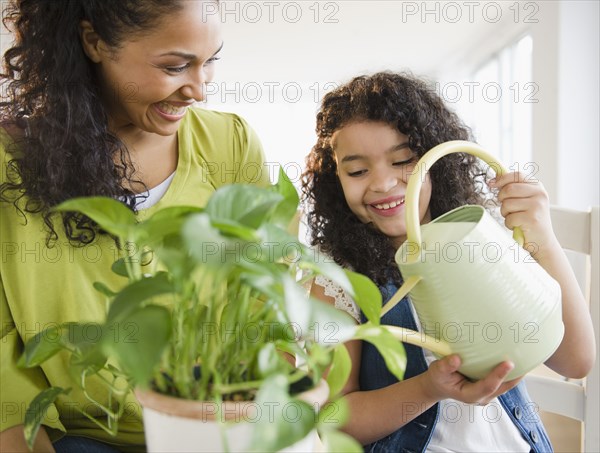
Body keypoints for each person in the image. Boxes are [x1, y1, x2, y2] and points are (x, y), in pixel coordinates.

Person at [0, 1, 269, 451]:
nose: (199, 90)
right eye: (176, 66)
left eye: (210, 62)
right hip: (77, 435)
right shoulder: (10, 161)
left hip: (212, 426)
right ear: (94, 42)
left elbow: (266, 288)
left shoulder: (231, 143)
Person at [301, 72, 595, 452]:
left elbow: (575, 360)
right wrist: (427, 388)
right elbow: (333, 419)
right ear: (334, 179)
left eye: (404, 160)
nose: (383, 183)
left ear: (434, 161)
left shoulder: (479, 241)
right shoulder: (337, 276)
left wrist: (542, 236)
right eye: (357, 171)